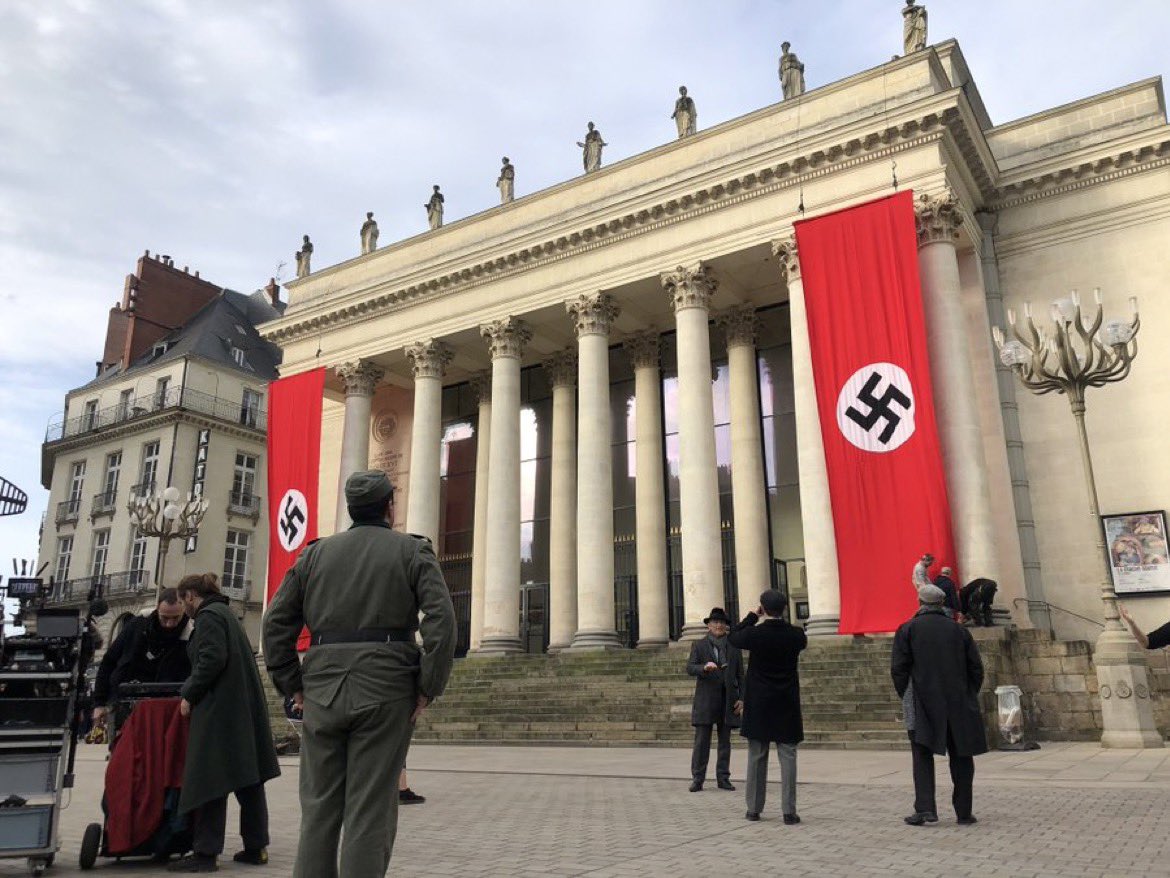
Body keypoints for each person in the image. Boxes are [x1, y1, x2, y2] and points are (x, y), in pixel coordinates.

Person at [263, 469, 457, 878]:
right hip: (387, 688)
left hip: (322, 689)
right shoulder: (412, 551)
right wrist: (428, 685)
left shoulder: (314, 555)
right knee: (369, 810)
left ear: (351, 509)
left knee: (318, 807)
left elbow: (275, 623)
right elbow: (442, 621)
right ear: (390, 507)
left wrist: (291, 682)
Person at [169, 574, 279, 873]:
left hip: (220, 710)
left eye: (182, 601)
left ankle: (205, 853)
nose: (183, 608)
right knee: (248, 778)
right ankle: (256, 848)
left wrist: (189, 693)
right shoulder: (227, 614)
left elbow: (211, 658)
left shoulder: (209, 617)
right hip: (241, 710)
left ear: (191, 596)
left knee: (210, 779)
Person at [891, 584, 987, 827]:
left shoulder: (908, 629)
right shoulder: (959, 630)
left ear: (920, 601)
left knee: (921, 754)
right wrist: (967, 693)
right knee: (962, 755)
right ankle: (964, 812)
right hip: (958, 700)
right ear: (942, 603)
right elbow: (976, 668)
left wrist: (908, 695)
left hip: (922, 700)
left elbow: (899, 669)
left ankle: (925, 809)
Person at [729, 590, 807, 824]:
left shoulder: (755, 634)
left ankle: (753, 808)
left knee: (756, 755)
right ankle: (789, 811)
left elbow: (733, 636)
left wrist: (752, 616)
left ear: (763, 608)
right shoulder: (796, 634)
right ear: (784, 608)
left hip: (760, 701)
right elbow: (801, 643)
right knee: (788, 756)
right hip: (786, 701)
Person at [92, 589, 192, 727]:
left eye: (176, 618)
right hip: (125, 701)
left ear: (184, 612)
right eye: (165, 618)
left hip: (167, 707)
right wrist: (99, 703)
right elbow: (109, 661)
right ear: (157, 610)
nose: (170, 624)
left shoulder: (190, 635)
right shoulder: (137, 625)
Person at [685, 607, 744, 793]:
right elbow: (690, 667)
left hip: (728, 700)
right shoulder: (699, 645)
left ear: (726, 626)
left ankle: (723, 777)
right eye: (715, 622)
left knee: (725, 742)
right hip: (706, 700)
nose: (719, 625)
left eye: (722, 623)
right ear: (708, 625)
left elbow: (741, 675)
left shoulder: (734, 647)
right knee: (702, 742)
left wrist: (742, 698)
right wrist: (704, 667)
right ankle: (698, 778)